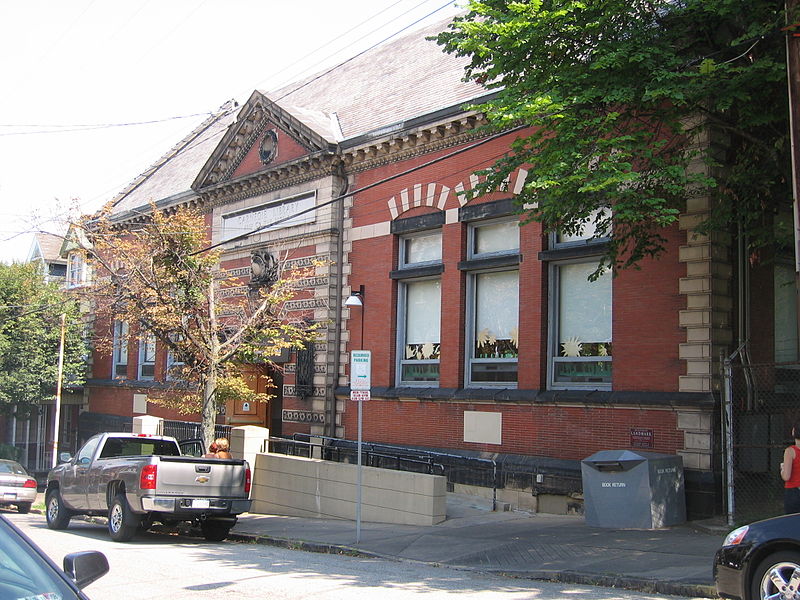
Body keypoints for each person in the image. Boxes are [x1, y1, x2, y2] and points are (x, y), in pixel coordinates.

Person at [781, 423, 800, 514]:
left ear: (793, 432)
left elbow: (786, 476)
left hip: (794, 491)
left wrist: (782, 469)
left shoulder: (790, 451)